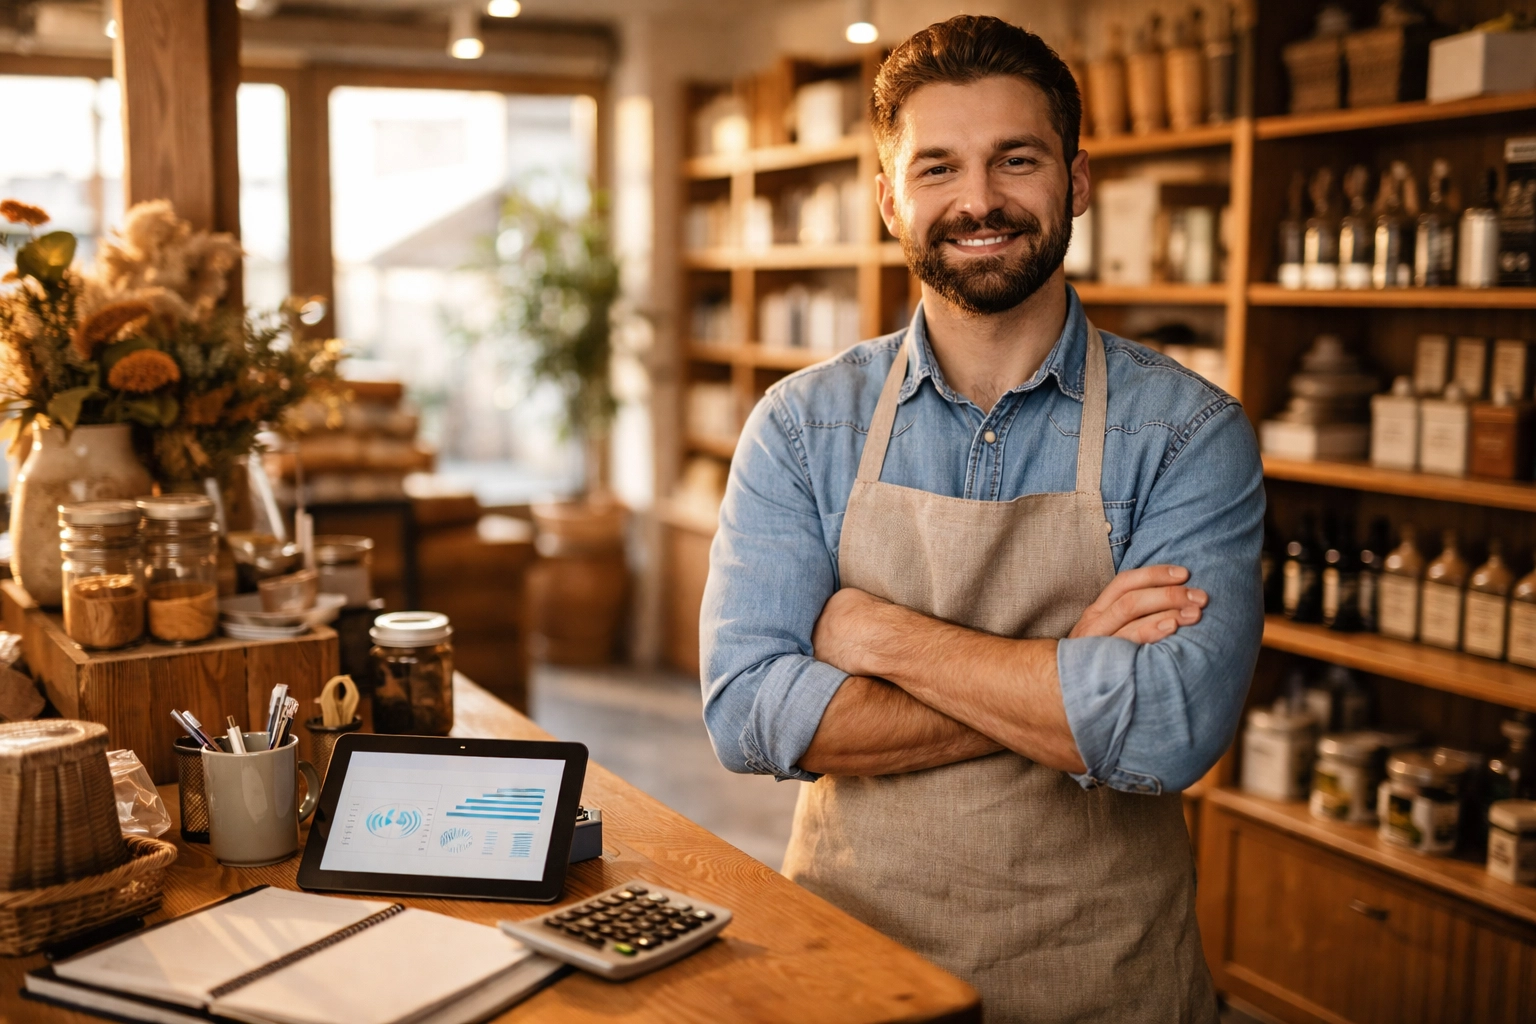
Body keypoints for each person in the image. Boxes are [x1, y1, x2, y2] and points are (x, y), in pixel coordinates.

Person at [700, 15, 1262, 1023]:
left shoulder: (1189, 434)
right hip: (854, 973)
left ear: (1076, 182)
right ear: (887, 200)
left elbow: (1169, 730)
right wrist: (1066, 671)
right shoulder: (801, 425)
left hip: (1107, 980)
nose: (980, 201)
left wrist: (880, 636)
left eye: (1017, 159)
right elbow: (747, 711)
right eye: (938, 168)